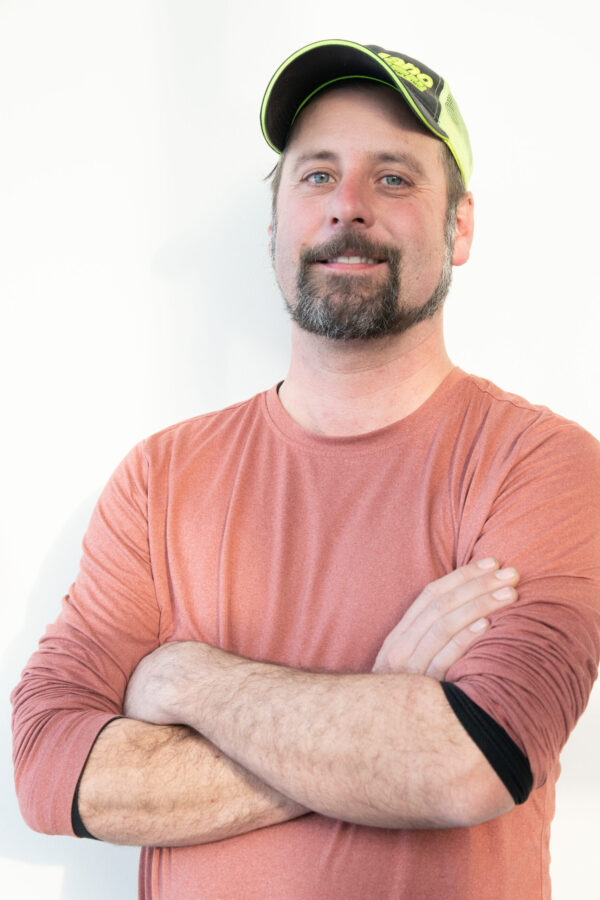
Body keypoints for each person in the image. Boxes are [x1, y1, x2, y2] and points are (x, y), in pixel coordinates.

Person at [11, 39, 600, 899]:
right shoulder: (160, 478)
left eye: (394, 178)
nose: (347, 207)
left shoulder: (539, 464)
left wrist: (185, 678)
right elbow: (49, 769)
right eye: (317, 175)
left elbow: (475, 757)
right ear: (277, 221)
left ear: (460, 225)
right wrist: (387, 706)